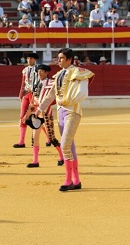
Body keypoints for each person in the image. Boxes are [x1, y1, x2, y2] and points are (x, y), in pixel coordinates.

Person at [36, 48, 95, 192]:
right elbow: (50, 95)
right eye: (58, 58)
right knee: (70, 146)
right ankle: (76, 180)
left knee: (65, 145)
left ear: (69, 59)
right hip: (61, 112)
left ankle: (68, 180)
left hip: (72, 111)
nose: (59, 60)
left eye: (61, 58)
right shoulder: (59, 75)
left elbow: (83, 92)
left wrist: (68, 100)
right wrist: (40, 108)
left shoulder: (77, 72)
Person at [26, 64, 64, 168]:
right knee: (35, 138)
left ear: (46, 72)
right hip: (36, 113)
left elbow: (53, 97)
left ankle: (62, 156)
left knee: (51, 137)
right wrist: (28, 113)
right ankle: (35, 161)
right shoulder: (36, 84)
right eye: (38, 71)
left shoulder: (51, 83)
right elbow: (33, 99)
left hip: (46, 113)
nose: (39, 73)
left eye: (42, 71)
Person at [15, 52, 39, 148]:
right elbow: (23, 83)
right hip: (26, 94)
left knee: (37, 118)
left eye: (31, 59)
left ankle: (49, 139)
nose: (29, 60)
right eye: (28, 58)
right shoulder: (24, 70)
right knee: (22, 117)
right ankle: (21, 142)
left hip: (35, 95)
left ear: (35, 60)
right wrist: (20, 94)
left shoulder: (39, 69)